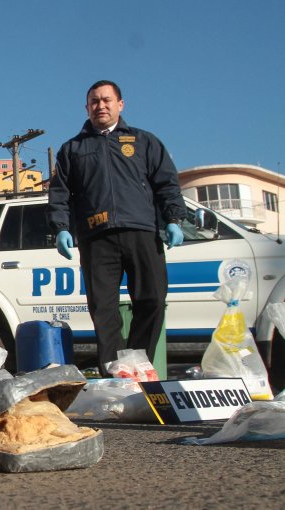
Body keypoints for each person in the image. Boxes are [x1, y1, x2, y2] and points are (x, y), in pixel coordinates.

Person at [47, 80, 186, 375]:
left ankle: (138, 366)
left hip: (141, 231)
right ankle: (113, 370)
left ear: (120, 104)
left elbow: (166, 184)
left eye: (107, 100)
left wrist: (173, 219)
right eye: (94, 101)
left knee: (151, 300)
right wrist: (61, 227)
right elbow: (59, 194)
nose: (101, 106)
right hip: (96, 237)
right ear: (87, 108)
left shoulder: (144, 141)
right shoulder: (72, 149)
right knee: (103, 309)